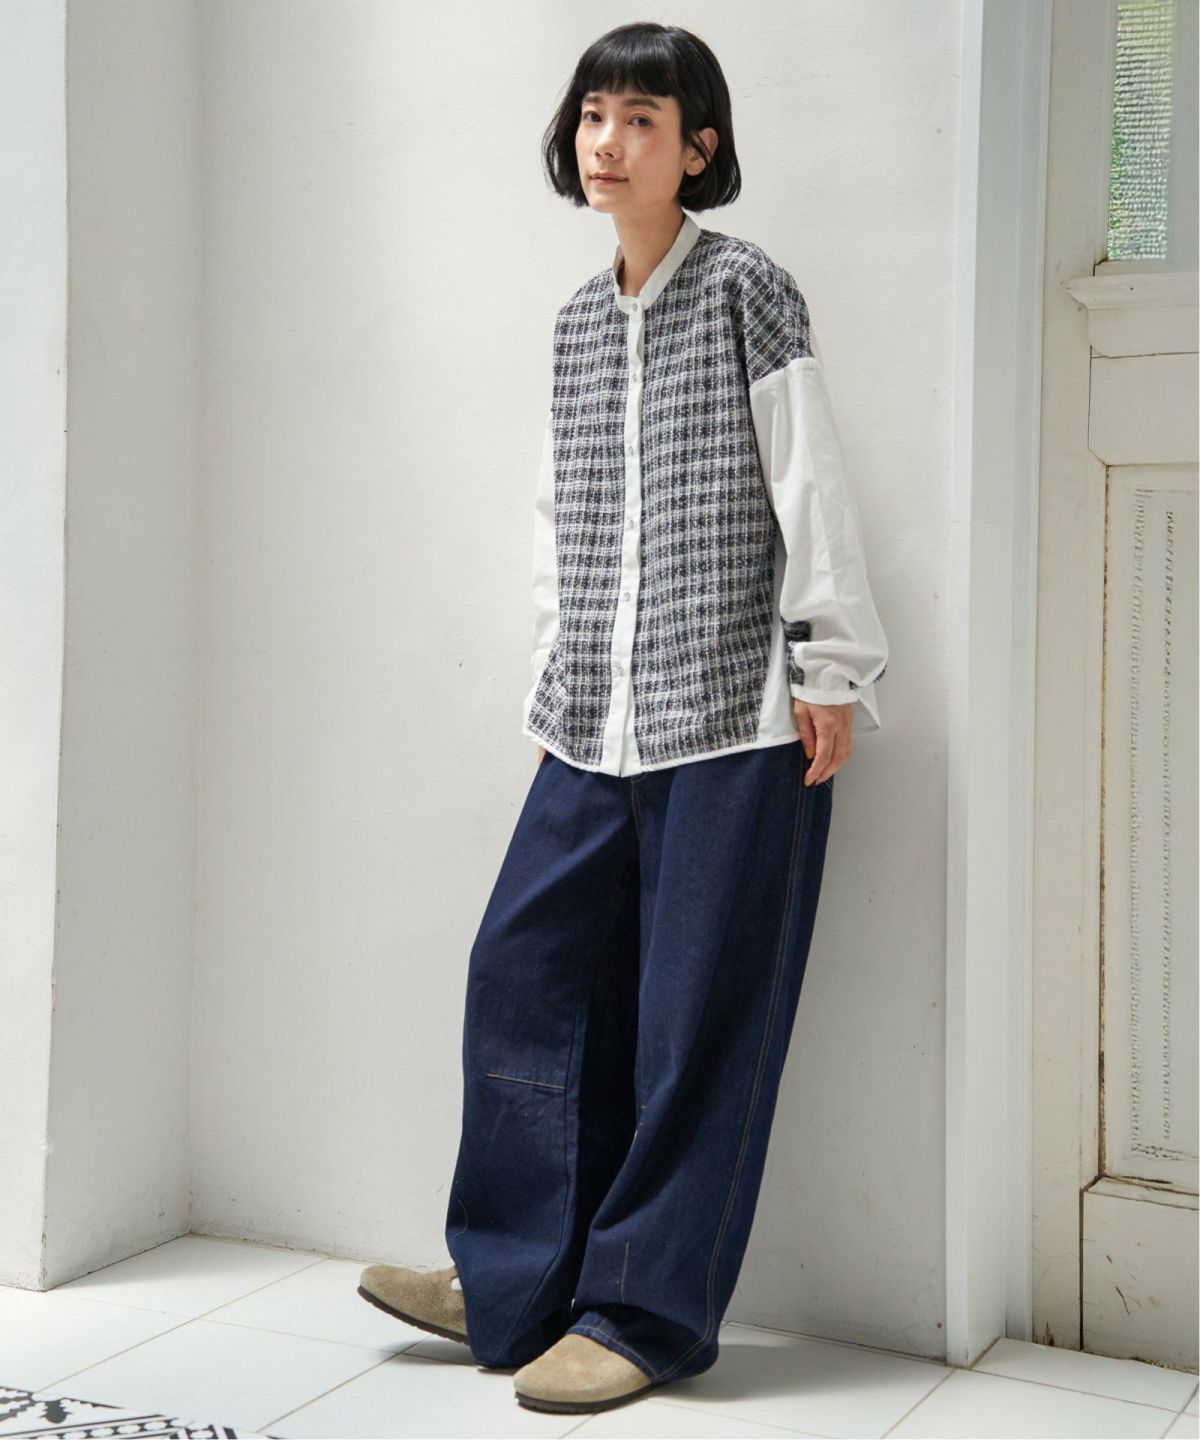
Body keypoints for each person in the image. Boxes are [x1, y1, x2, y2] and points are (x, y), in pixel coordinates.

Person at [358, 20, 889, 1417]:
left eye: (642, 119)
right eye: (594, 115)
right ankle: (518, 1280)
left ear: (697, 150)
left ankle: (641, 1313)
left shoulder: (749, 291)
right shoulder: (578, 322)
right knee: (523, 974)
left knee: (694, 1022)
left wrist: (831, 665)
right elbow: (563, 515)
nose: (609, 142)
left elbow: (809, 478)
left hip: (738, 717)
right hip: (593, 719)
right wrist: (559, 674)